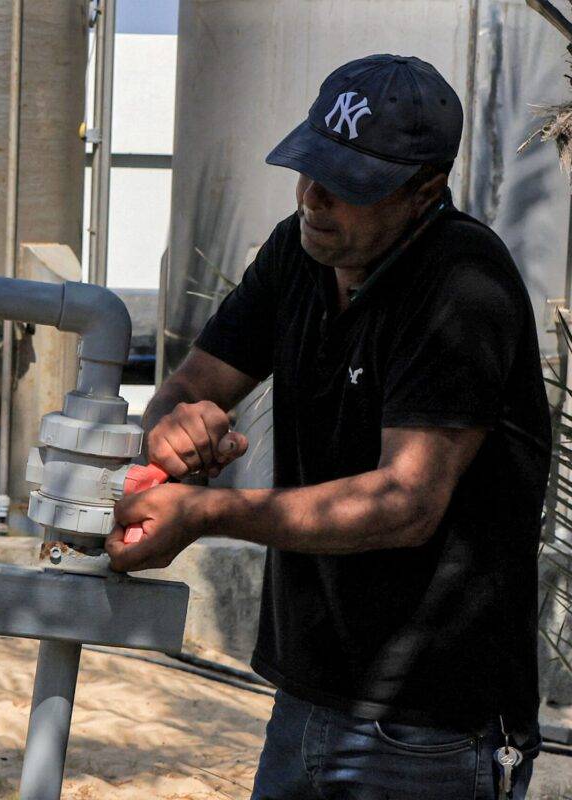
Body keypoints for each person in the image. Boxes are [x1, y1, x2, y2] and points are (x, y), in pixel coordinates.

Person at [107, 54, 551, 799]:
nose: (314, 197)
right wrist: (170, 429)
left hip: (430, 730)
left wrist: (208, 511)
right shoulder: (300, 250)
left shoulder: (463, 285)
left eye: (347, 185)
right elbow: (192, 382)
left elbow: (404, 503)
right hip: (306, 696)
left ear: (424, 192)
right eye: (310, 166)